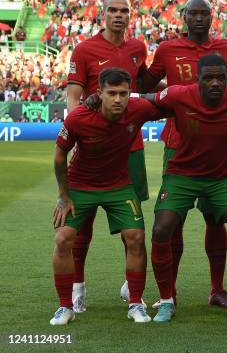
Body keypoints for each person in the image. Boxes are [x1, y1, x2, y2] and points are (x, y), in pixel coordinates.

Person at [147, 54, 227, 323]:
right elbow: (146, 103)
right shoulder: (178, 95)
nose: (215, 83)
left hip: (222, 177)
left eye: (220, 78)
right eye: (208, 78)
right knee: (161, 228)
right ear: (196, 79)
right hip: (182, 175)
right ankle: (167, 300)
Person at [140, 0, 227, 309]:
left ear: (213, 17)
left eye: (204, 14)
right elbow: (145, 83)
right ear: (184, 16)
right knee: (173, 223)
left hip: (216, 148)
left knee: (216, 220)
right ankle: (170, 292)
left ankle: (217, 289)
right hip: (177, 144)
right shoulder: (168, 49)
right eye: (192, 13)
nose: (198, 19)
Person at [50, 68, 164, 325]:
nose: (118, 99)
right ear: (99, 93)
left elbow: (170, 102)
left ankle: (136, 303)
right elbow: (59, 155)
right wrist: (63, 196)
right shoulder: (78, 118)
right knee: (63, 239)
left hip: (119, 185)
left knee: (135, 237)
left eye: (123, 93)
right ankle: (65, 307)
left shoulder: (138, 109)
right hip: (80, 185)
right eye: (111, 93)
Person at [65, 0, 149, 312]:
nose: (118, 15)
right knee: (82, 226)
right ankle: (78, 287)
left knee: (132, 224)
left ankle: (131, 286)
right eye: (112, 10)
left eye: (124, 11)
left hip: (130, 147)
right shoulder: (85, 50)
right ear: (103, 14)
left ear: (130, 15)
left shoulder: (138, 49)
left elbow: (142, 89)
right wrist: (78, 136)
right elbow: (74, 98)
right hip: (93, 148)